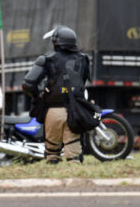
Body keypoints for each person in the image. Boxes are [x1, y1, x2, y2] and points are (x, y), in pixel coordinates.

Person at [22, 26, 90, 164]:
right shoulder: (83, 59)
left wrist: (37, 96)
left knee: (52, 153)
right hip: (75, 111)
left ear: (55, 42)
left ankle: (54, 179)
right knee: (74, 154)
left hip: (53, 112)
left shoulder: (46, 59)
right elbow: (82, 82)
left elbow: (28, 84)